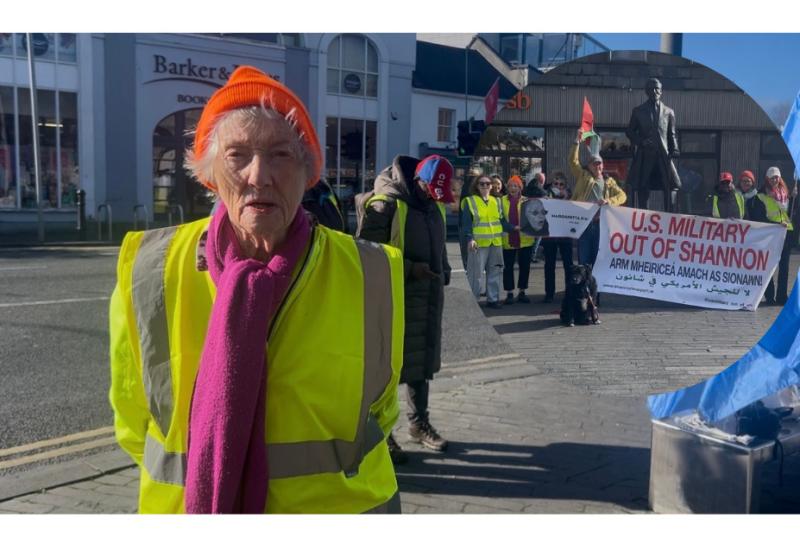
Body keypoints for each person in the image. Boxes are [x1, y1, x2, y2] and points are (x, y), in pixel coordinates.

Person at [109, 66, 404, 514]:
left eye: (281, 154)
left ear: (308, 171)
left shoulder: (373, 270)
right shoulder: (150, 268)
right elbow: (132, 416)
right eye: (237, 155)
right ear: (210, 172)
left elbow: (382, 409)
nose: (259, 175)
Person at [359, 154, 453, 463]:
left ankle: (418, 424)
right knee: (384, 369)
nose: (435, 198)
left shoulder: (432, 205)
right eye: (432, 191)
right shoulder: (386, 204)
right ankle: (380, 434)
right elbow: (367, 252)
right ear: (418, 181)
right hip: (392, 297)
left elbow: (438, 243)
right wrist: (411, 269)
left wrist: (444, 266)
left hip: (427, 295)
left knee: (420, 363)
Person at [570, 128, 627, 266]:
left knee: (598, 259)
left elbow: (622, 196)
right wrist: (577, 142)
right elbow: (573, 161)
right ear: (589, 166)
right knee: (584, 260)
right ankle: (584, 280)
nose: (597, 166)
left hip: (600, 224)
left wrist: (609, 201)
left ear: (603, 165)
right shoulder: (583, 176)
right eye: (594, 164)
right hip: (584, 223)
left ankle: (594, 280)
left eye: (599, 163)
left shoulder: (609, 181)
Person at [626, 78, 681, 212]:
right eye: (651, 89)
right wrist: (641, 141)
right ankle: (643, 214)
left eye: (657, 89)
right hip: (646, 155)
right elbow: (630, 131)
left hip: (663, 154)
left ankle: (670, 215)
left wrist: (674, 148)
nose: (655, 91)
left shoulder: (669, 112)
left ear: (661, 91)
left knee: (670, 185)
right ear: (646, 91)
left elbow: (672, 133)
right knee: (643, 186)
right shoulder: (638, 111)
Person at [462, 175, 513, 308]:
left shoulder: (496, 201)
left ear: (491, 186)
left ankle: (493, 299)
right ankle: (473, 301)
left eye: (488, 184)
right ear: (476, 186)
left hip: (495, 242)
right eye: (482, 184)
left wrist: (515, 228)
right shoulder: (470, 201)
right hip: (478, 243)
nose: (485, 186)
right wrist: (470, 239)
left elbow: (502, 221)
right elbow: (466, 223)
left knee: (495, 271)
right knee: (475, 273)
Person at [749, 167, 795, 305]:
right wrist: (776, 225)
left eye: (777, 177)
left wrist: (795, 198)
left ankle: (782, 296)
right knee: (768, 266)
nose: (775, 180)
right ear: (767, 179)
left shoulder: (786, 194)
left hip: (786, 233)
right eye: (772, 177)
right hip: (771, 234)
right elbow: (760, 217)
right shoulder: (761, 196)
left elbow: (789, 213)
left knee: (784, 267)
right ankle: (769, 296)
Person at [541, 171, 574, 303]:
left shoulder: (571, 196)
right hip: (550, 235)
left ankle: (570, 292)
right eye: (556, 183)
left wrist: (566, 198)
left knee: (568, 265)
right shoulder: (545, 195)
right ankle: (549, 293)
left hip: (565, 235)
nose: (558, 186)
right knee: (549, 265)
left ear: (565, 185)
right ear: (552, 184)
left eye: (561, 184)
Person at [500, 175, 534, 304]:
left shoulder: (527, 201)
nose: (513, 188)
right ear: (507, 187)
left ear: (520, 188)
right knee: (508, 267)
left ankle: (522, 291)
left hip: (525, 240)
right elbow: (501, 219)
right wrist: (512, 227)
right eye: (510, 186)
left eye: (515, 186)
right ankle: (509, 293)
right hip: (508, 239)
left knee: (524, 267)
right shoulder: (501, 201)